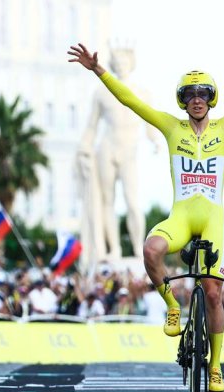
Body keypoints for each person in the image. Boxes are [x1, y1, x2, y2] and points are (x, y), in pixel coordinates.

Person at [68, 39, 224, 392]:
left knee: (214, 293)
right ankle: (173, 306)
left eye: (203, 93)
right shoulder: (172, 128)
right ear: (183, 101)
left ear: (211, 98)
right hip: (181, 216)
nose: (197, 99)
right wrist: (99, 70)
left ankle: (216, 366)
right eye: (190, 94)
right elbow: (131, 101)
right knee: (150, 249)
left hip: (212, 217)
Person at [78, 46, 160, 262]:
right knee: (107, 200)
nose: (121, 65)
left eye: (124, 61)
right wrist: (85, 146)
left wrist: (156, 141)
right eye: (117, 61)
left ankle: (137, 248)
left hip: (129, 150)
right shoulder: (101, 92)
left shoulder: (143, 92)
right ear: (112, 63)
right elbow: (91, 126)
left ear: (131, 63)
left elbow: (151, 123)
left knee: (133, 201)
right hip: (107, 147)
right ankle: (113, 248)